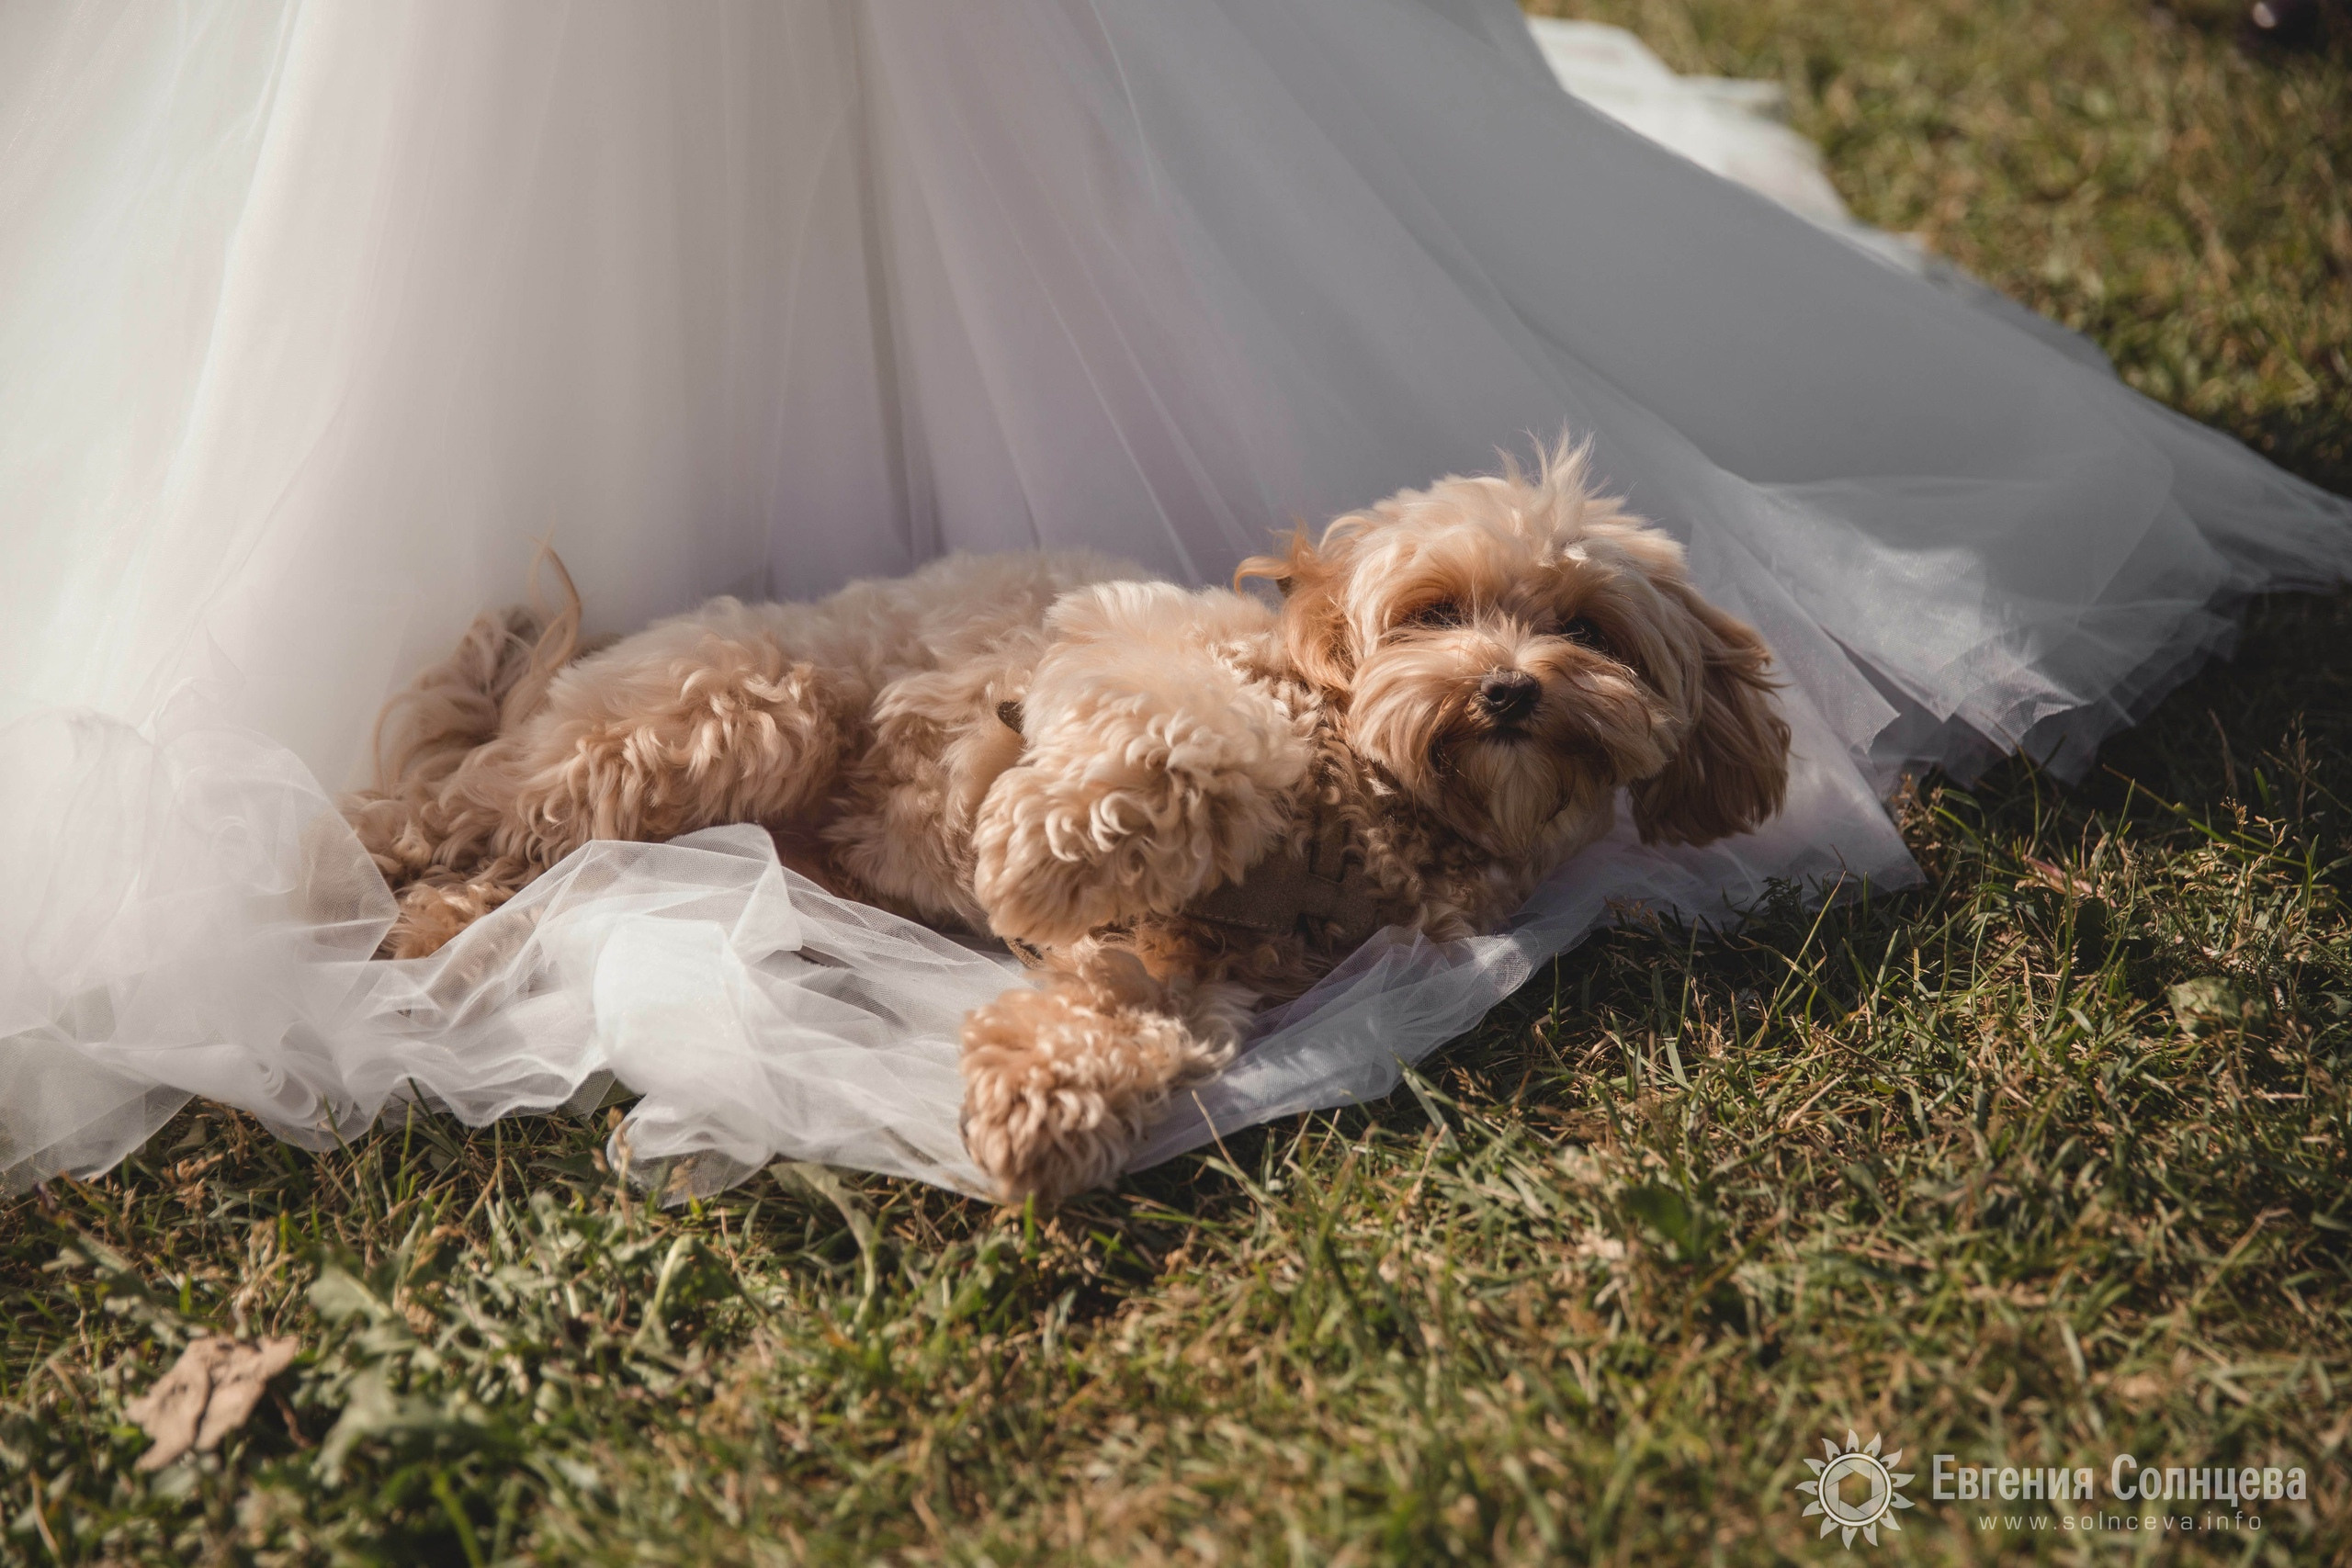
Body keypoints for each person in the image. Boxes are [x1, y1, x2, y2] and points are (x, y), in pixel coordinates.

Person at [4, 0, 2346, 1197]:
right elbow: (1084, 821)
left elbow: (1148, 950)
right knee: (693, 729)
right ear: (1327, 620)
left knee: (1138, 970)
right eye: (1443, 619)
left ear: (1668, 696)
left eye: (1569, 646)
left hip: (1034, 886)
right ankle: (456, 827)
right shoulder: (1233, 683)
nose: (1508, 670)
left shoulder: (1445, 816)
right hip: (853, 711)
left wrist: (1090, 1026)